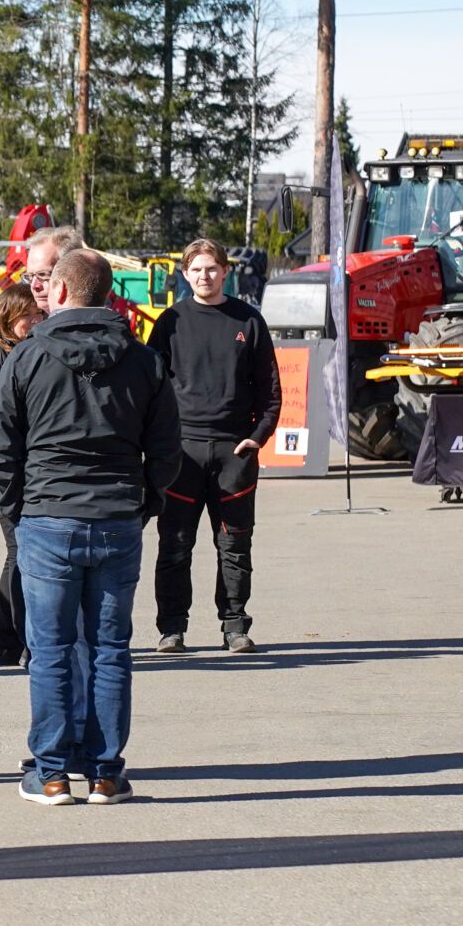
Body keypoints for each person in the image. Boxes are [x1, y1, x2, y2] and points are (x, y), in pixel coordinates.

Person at [0, 248, 178, 808]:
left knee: (52, 649)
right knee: (110, 649)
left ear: (60, 293)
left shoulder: (27, 358)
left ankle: (53, 774)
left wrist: (23, 513)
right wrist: (141, 506)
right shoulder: (143, 360)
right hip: (115, 519)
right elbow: (166, 452)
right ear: (109, 295)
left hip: (48, 520)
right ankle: (106, 772)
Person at [145, 236, 281, 654]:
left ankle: (235, 626)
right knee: (175, 546)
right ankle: (172, 629)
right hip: (181, 454)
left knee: (235, 547)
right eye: (196, 269)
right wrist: (157, 445)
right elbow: (149, 389)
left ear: (225, 271)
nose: (205, 276)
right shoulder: (170, 322)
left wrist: (255, 439)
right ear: (185, 275)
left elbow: (271, 394)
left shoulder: (248, 321)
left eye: (212, 268)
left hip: (233, 455)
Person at [0, 284, 41, 665]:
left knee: (25, 549)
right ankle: (11, 640)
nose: (33, 322)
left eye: (38, 315)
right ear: (7, 317)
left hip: (31, 464)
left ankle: (9, 642)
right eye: (26, 316)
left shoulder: (35, 352)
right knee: (21, 548)